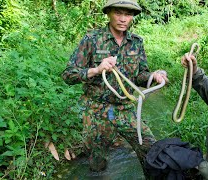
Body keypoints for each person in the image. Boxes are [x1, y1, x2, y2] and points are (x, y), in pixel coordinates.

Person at [62, 0, 168, 177]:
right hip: (96, 110)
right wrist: (96, 70)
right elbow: (68, 75)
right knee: (97, 162)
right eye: (118, 13)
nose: (123, 19)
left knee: (150, 148)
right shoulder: (92, 40)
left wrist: (153, 76)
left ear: (132, 17)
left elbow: (140, 75)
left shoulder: (136, 42)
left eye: (127, 14)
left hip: (125, 108)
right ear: (109, 13)